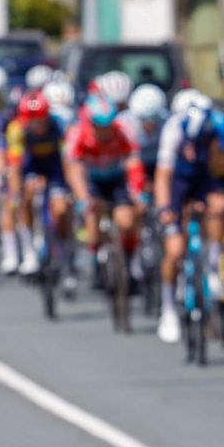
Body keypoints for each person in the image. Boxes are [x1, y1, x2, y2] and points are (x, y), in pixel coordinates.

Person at [155, 91, 224, 342]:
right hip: (178, 182)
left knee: (221, 206)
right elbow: (163, 174)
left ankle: (213, 265)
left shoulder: (216, 124)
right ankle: (168, 308)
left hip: (203, 178)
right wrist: (165, 209)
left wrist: (222, 155)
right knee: (175, 250)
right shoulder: (172, 129)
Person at [66, 94, 142, 297]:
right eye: (99, 126)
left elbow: (133, 163)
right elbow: (75, 171)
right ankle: (96, 260)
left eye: (108, 125)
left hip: (116, 180)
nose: (104, 131)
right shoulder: (78, 134)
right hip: (92, 182)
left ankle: (129, 264)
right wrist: (84, 199)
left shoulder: (122, 132)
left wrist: (138, 191)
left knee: (126, 222)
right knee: (92, 220)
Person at [4, 90, 73, 278]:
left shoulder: (59, 125)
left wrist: (69, 188)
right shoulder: (17, 129)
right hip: (31, 166)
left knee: (61, 209)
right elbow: (15, 164)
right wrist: (15, 194)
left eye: (40, 120)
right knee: (24, 199)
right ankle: (29, 252)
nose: (37, 125)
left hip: (54, 167)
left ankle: (66, 250)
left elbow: (68, 160)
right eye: (32, 121)